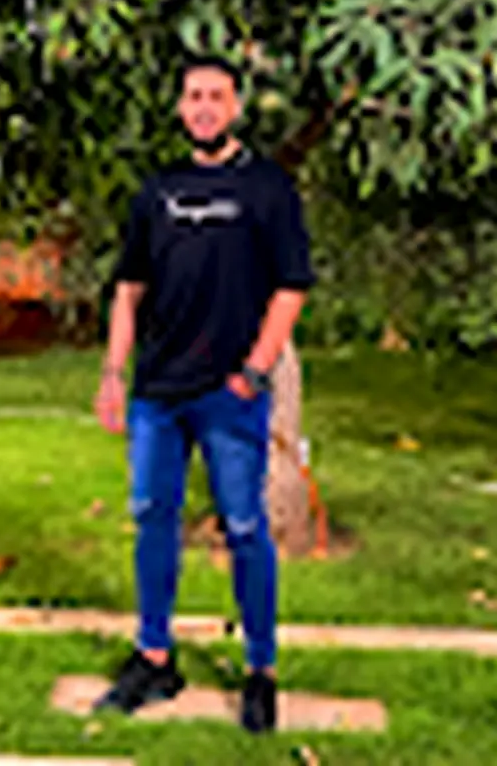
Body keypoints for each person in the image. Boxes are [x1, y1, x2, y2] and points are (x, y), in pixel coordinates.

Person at [93, 54, 315, 733]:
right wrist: (112, 373)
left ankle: (260, 670)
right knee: (153, 518)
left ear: (236, 106)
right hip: (158, 394)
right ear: (181, 108)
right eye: (194, 96)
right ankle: (155, 658)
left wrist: (255, 370)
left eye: (217, 95)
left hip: (229, 393)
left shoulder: (267, 187)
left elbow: (292, 286)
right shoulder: (156, 191)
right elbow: (129, 289)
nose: (205, 107)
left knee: (244, 527)